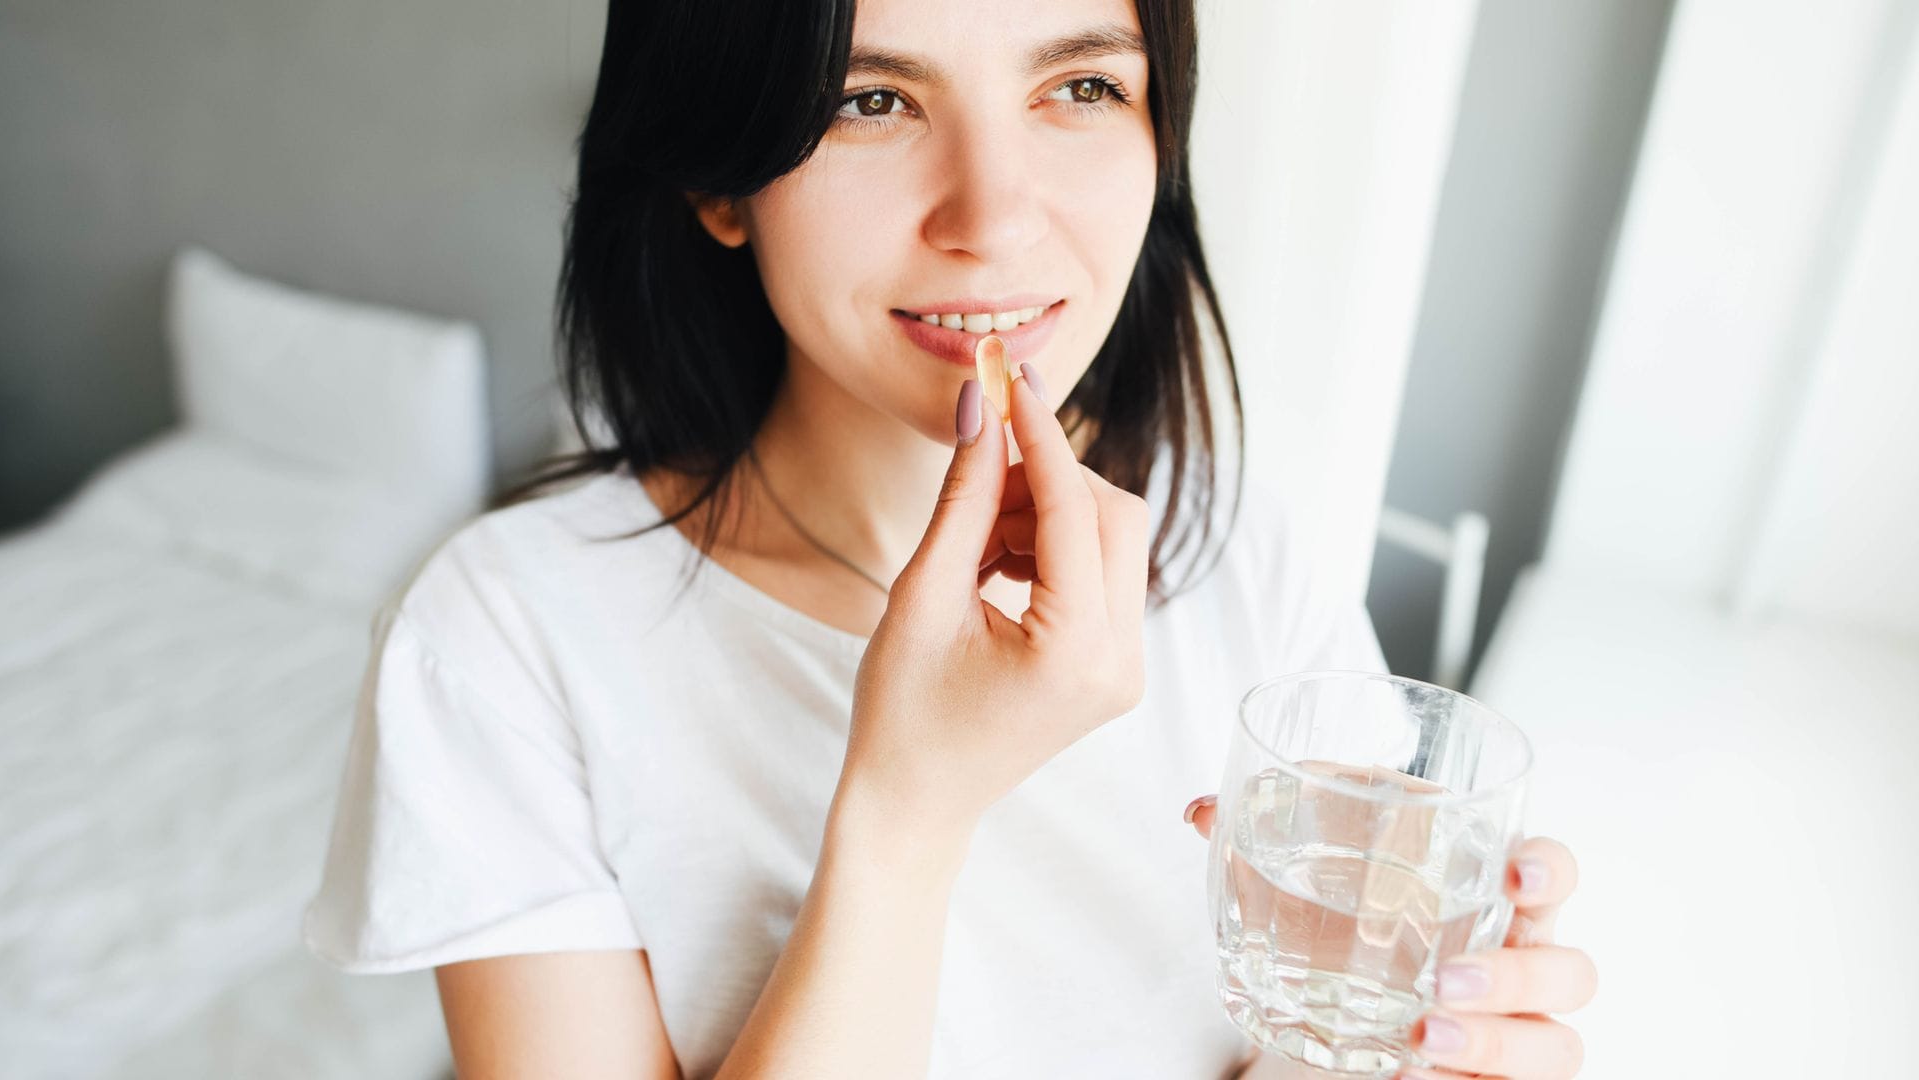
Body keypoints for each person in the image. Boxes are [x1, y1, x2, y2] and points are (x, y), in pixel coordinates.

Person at [303, 0, 1597, 1077]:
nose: (993, 216)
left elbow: (1332, 1017)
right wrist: (908, 811)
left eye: (1083, 86)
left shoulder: (1234, 535)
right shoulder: (502, 639)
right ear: (717, 175)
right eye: (871, 100)